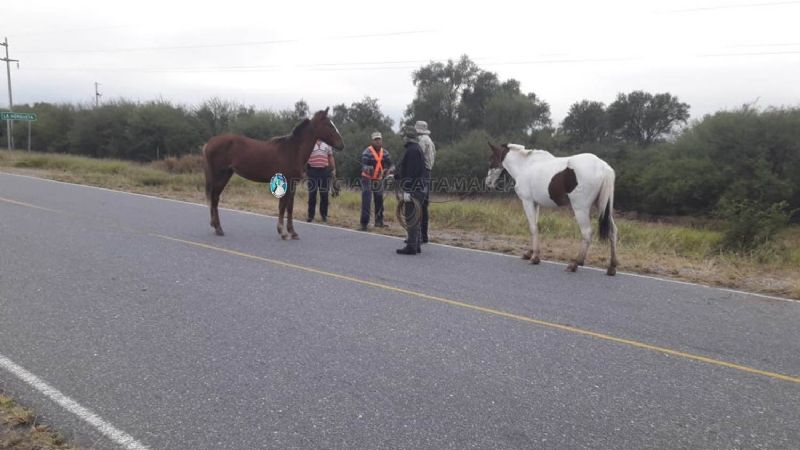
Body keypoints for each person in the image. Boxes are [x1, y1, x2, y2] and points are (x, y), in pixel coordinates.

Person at [396, 126, 425, 255]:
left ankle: (412, 246)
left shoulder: (412, 151)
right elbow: (405, 169)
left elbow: (411, 173)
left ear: (408, 138)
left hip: (413, 189)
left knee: (410, 217)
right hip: (419, 188)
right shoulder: (416, 149)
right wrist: (395, 175)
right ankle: (416, 244)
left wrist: (408, 190)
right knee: (416, 217)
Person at [360, 131, 393, 231]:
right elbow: (363, 166)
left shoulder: (385, 153)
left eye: (379, 139)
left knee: (379, 199)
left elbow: (392, 165)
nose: (378, 141)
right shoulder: (367, 152)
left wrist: (389, 170)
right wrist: (368, 168)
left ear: (382, 140)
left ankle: (379, 222)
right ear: (372, 141)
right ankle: (364, 223)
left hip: (378, 180)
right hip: (367, 179)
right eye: (376, 140)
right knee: (367, 200)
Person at [305, 139, 336, 223]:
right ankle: (310, 216)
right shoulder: (309, 142)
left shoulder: (328, 144)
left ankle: (324, 215)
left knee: (324, 195)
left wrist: (333, 169)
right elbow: (304, 156)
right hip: (312, 171)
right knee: (312, 194)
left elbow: (330, 156)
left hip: (324, 171)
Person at [415, 120, 436, 243]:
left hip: (422, 173)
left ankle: (417, 236)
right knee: (424, 205)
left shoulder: (422, 140)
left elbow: (419, 156)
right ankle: (424, 235)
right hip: (428, 172)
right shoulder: (430, 141)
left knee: (417, 203)